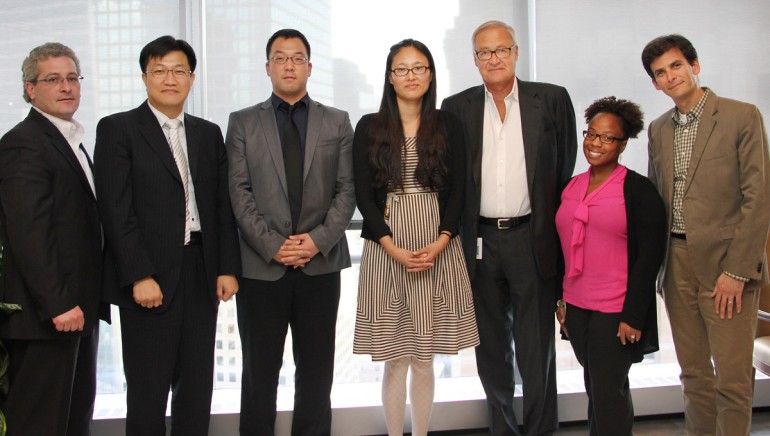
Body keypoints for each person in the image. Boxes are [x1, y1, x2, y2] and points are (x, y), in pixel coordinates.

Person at [94, 35, 241, 436]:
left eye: (178, 70)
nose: (169, 79)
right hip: (151, 275)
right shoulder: (118, 129)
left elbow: (220, 209)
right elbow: (115, 211)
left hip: (201, 270)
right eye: (159, 70)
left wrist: (227, 268)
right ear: (144, 77)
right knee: (148, 390)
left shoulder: (208, 133)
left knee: (196, 387)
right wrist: (139, 274)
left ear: (192, 78)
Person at [441, 20, 577, 435]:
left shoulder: (551, 100)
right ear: (475, 60)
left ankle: (541, 430)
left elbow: (564, 165)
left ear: (516, 53)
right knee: (491, 349)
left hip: (531, 238)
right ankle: (502, 429)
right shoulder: (456, 107)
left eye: (502, 50)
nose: (494, 58)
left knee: (536, 350)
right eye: (485, 52)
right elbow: (450, 177)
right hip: (478, 241)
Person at [226, 28, 355, 436]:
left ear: (310, 67)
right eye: (280, 58)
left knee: (316, 376)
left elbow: (347, 189)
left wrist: (316, 241)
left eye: (297, 58)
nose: (289, 65)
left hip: (320, 267)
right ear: (267, 67)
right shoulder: (243, 122)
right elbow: (238, 190)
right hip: (262, 268)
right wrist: (272, 244)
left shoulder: (337, 122)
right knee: (258, 376)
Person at [642, 34, 770, 436]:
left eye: (676, 65)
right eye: (660, 72)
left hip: (725, 268)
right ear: (655, 84)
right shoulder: (658, 129)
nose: (670, 76)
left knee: (732, 382)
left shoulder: (741, 116)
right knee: (694, 376)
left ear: (694, 66)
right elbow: (657, 200)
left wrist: (737, 271)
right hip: (676, 263)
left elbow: (758, 199)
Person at [352, 39, 479, 436]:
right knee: (396, 357)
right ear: (390, 77)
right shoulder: (369, 127)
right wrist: (391, 246)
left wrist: (443, 240)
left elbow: (460, 190)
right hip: (386, 245)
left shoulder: (448, 124)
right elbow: (362, 194)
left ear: (430, 74)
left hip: (437, 242)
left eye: (419, 67)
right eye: (402, 69)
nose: (411, 76)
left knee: (424, 356)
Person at [0, 42, 105, 436]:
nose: (66, 87)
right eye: (53, 79)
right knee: (39, 425)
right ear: (30, 89)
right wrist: (59, 303)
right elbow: (28, 232)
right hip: (46, 318)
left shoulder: (69, 139)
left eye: (72, 78)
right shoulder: (24, 143)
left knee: (74, 420)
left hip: (75, 312)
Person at [554, 96, 666, 435]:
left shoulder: (638, 191)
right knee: (600, 388)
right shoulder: (571, 186)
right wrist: (560, 301)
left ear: (623, 143)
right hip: (576, 306)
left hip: (615, 310)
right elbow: (560, 250)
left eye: (607, 137)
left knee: (606, 391)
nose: (596, 143)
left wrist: (633, 315)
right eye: (591, 134)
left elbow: (649, 258)